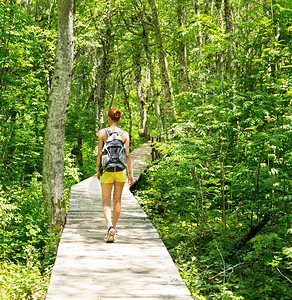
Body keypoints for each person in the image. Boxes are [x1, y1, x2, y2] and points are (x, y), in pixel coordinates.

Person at [96, 108, 134, 242]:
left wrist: (98, 169)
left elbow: (100, 154)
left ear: (108, 117)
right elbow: (127, 155)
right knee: (117, 200)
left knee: (106, 202)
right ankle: (114, 227)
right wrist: (130, 173)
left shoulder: (102, 133)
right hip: (120, 171)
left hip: (107, 171)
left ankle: (109, 226)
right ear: (119, 119)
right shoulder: (124, 134)